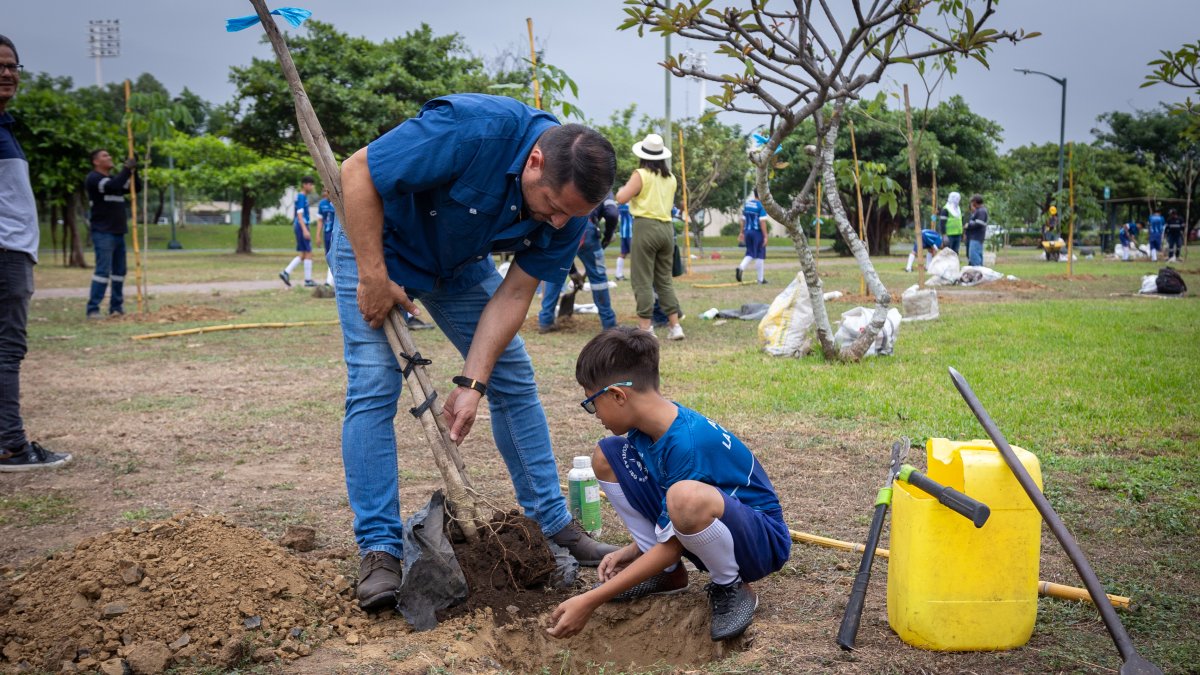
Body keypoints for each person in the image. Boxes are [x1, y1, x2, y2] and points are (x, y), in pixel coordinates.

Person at [333, 93, 618, 610]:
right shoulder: (472, 130)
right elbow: (357, 172)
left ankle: (552, 525)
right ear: (535, 161)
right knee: (375, 383)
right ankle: (379, 548)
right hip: (377, 240)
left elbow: (514, 293)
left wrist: (472, 383)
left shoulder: (571, 213)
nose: (556, 223)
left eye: (569, 216)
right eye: (551, 206)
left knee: (512, 377)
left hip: (459, 261)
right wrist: (373, 275)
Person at [546, 327, 790, 642]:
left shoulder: (686, 444)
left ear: (619, 395)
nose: (593, 414)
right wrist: (637, 550)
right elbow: (669, 527)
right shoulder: (645, 428)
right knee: (607, 455)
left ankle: (731, 585)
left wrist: (592, 600)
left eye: (591, 403)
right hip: (709, 526)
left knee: (684, 497)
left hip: (759, 543)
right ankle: (667, 574)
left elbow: (675, 534)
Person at [0, 34, 72, 471]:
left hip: (13, 251)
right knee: (7, 350)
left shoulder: (5, 127)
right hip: (5, 252)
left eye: (13, 66)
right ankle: (11, 445)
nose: (7, 74)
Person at [615, 133, 684, 340]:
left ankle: (646, 329)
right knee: (664, 280)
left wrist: (622, 190)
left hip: (646, 227)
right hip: (667, 229)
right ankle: (675, 327)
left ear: (643, 155)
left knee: (642, 278)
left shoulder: (641, 174)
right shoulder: (671, 178)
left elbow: (621, 197)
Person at [537, 192, 619, 333]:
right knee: (598, 279)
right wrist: (608, 235)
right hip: (588, 231)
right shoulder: (603, 185)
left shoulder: (571, 176)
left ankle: (545, 320)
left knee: (556, 273)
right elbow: (612, 213)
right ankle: (609, 323)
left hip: (564, 228)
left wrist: (572, 271)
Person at [84, 149, 136, 319]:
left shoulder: (115, 179)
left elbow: (136, 188)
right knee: (102, 271)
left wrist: (135, 170)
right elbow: (113, 186)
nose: (110, 157)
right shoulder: (94, 179)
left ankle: (116, 307)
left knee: (119, 272)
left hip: (118, 232)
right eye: (105, 156)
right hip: (103, 232)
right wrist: (126, 170)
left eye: (109, 155)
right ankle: (93, 308)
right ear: (95, 161)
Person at [279, 176, 316, 288]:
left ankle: (286, 272)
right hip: (301, 226)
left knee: (304, 254)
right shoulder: (301, 197)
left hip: (300, 226)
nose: (312, 187)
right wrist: (305, 229)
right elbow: (299, 214)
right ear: (305, 185)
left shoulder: (302, 197)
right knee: (308, 252)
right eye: (310, 184)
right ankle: (308, 280)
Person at [736, 191, 769, 284]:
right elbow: (762, 222)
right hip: (757, 233)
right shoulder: (761, 206)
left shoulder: (747, 204)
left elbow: (743, 220)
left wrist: (741, 232)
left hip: (748, 232)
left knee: (750, 253)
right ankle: (760, 279)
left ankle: (741, 267)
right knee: (760, 254)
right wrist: (765, 236)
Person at [316, 188, 336, 290]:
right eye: (324, 191)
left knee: (334, 256)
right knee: (328, 256)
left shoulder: (337, 201)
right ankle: (330, 281)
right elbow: (320, 221)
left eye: (327, 190)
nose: (325, 193)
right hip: (327, 234)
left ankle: (329, 281)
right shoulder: (322, 204)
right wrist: (318, 235)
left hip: (336, 234)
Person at [964, 194, 988, 267]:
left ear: (975, 202)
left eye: (972, 201)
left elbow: (979, 224)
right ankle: (979, 272)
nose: (971, 203)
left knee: (974, 255)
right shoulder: (978, 211)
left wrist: (968, 225)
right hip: (974, 237)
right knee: (975, 255)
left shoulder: (981, 211)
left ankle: (978, 271)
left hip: (976, 237)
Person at [614, 202, 632, 281]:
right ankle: (636, 276)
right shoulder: (630, 206)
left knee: (623, 254)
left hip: (623, 233)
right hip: (632, 233)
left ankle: (618, 274)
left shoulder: (620, 206)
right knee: (635, 255)